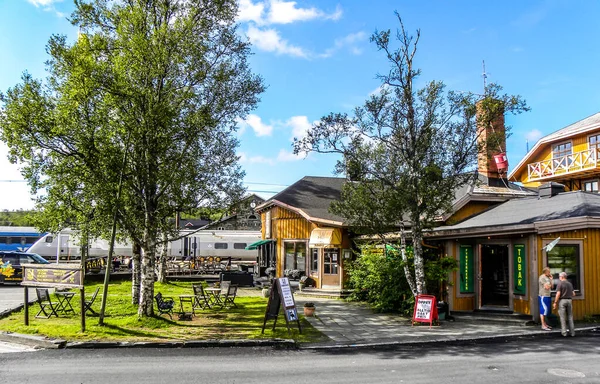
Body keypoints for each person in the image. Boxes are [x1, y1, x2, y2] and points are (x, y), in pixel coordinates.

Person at [553, 271, 576, 337]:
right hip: (569, 300)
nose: (559, 278)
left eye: (559, 276)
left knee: (562, 317)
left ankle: (564, 333)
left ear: (562, 277)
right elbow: (573, 294)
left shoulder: (560, 284)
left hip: (562, 301)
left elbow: (558, 294)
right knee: (570, 317)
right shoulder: (570, 284)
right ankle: (572, 333)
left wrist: (555, 302)